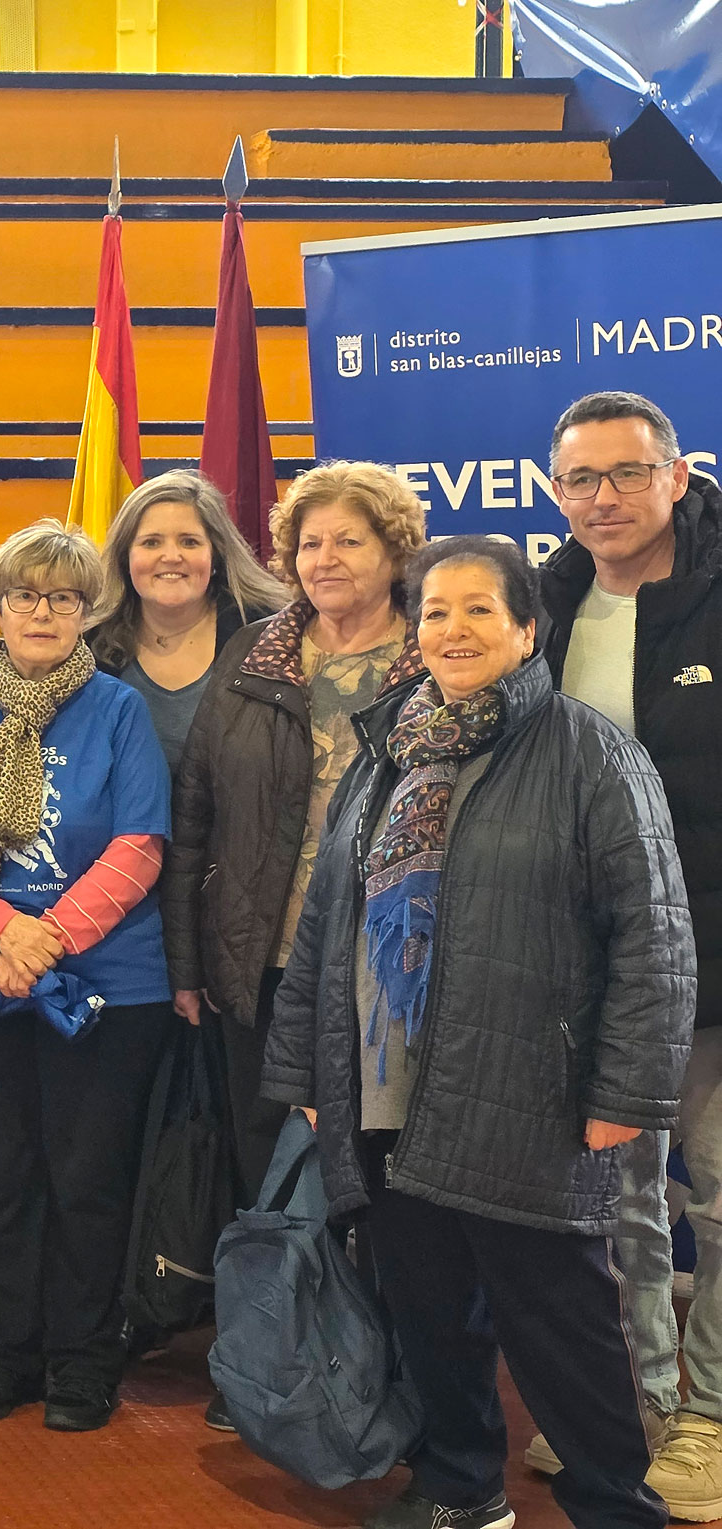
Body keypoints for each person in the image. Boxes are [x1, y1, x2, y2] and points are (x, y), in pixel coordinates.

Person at [264, 535, 692, 1529]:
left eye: (477, 609)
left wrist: (625, 1093)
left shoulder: (591, 752)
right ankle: (462, 1485)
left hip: (527, 1092)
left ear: (527, 628)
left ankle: (614, 1507)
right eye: (434, 611)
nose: (451, 629)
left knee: (561, 1324)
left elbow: (654, 933)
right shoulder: (389, 749)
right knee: (427, 1305)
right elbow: (326, 920)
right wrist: (310, 1068)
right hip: (388, 1088)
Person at [0, 518, 173, 1434]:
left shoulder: (119, 710)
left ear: (87, 610)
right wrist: (3, 931)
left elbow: (140, 846)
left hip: (105, 983)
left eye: (63, 597)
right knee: (1, 1173)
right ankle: (8, 1350)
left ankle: (84, 1357)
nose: (43, 612)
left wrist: (45, 938)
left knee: (86, 1177)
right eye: (25, 595)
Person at [532, 391, 722, 1511]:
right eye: (580, 479)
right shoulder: (546, 604)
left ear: (677, 475)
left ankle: (711, 1417)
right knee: (622, 1200)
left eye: (628, 472)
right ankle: (635, 1401)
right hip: (596, 969)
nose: (603, 497)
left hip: (720, 959)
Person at [159, 462, 427, 1249]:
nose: (325, 558)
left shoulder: (434, 653)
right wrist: (187, 964)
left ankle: (381, 1323)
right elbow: (196, 812)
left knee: (389, 1167)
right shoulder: (255, 651)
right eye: (311, 543)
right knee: (266, 1156)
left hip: (393, 965)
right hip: (263, 961)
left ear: (395, 549)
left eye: (350, 540)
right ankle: (282, 1319)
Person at [85, 468, 290, 770]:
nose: (171, 556)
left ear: (215, 556)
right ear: (125, 557)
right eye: (151, 542)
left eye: (189, 542)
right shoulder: (88, 641)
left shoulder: (269, 635)